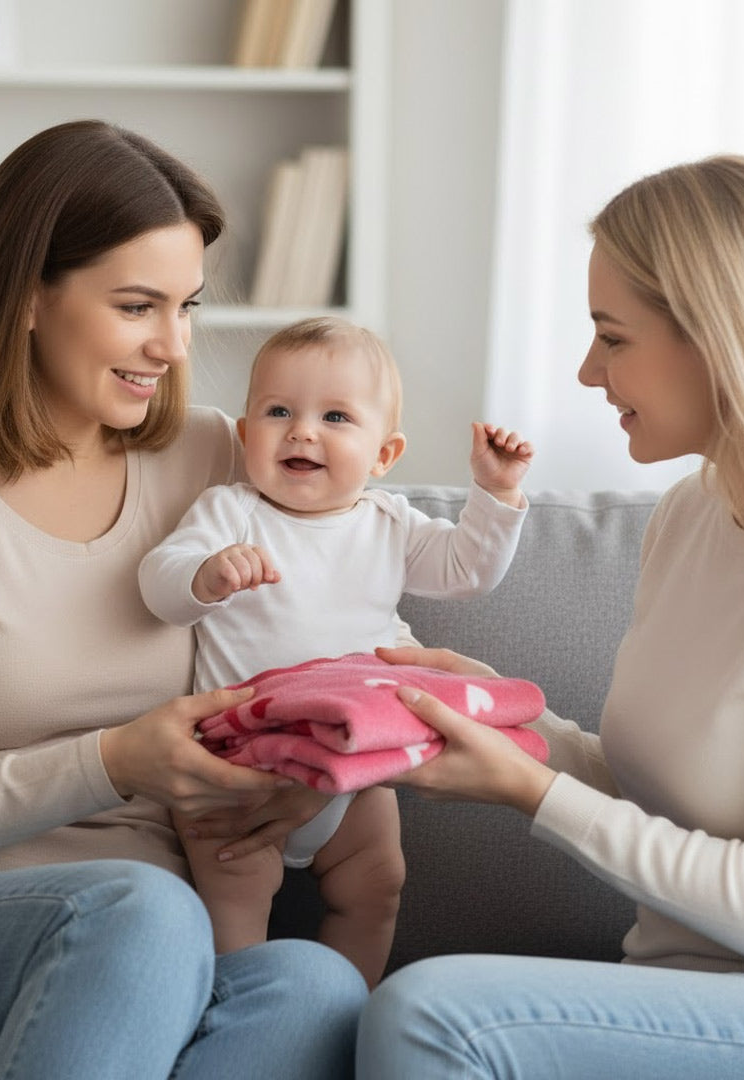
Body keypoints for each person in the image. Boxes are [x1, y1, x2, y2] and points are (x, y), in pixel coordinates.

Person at [0, 119, 368, 1080]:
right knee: (142, 914)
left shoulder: (218, 457)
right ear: (26, 294)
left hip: (161, 939)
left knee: (317, 987)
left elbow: (346, 599)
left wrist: (319, 765)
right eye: (138, 306)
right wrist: (114, 761)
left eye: (186, 307)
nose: (173, 346)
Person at [355, 154, 744, 1078]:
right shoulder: (691, 515)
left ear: (720, 337)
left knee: (436, 1017)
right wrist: (511, 722)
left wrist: (531, 791)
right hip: (685, 994)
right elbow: (664, 802)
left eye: (611, 337)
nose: (586, 371)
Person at [138, 315, 533, 987]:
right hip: (237, 764)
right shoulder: (230, 511)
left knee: (377, 887)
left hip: (353, 764)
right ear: (245, 435)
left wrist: (496, 494)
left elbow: (467, 571)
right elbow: (159, 585)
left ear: (384, 455)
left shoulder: (390, 523)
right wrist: (204, 575)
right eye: (278, 412)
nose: (302, 431)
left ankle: (351, 1012)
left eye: (336, 417)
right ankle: (242, 1018)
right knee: (235, 906)